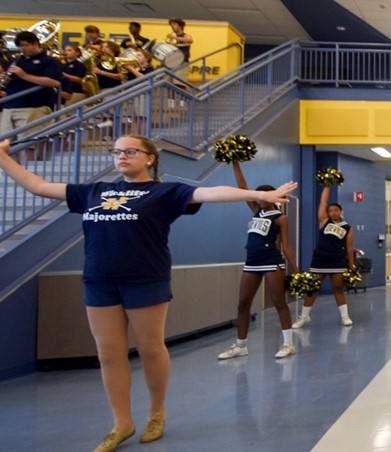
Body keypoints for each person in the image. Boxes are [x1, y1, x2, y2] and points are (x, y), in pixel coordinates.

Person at [0, 136, 296, 452]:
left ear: (150, 158)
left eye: (130, 151)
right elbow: (39, 187)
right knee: (109, 354)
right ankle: (121, 423)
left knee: (150, 348)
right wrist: (3, 157)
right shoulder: (93, 192)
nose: (122, 156)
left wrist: (257, 194)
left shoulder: (164, 192)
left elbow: (210, 193)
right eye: (116, 151)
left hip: (145, 280)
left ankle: (157, 413)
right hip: (99, 281)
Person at [215, 161, 299, 360]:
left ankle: (288, 343)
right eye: (258, 196)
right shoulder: (256, 210)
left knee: (279, 301)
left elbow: (286, 245)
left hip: (271, 260)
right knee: (243, 303)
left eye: (264, 196)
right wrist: (235, 161)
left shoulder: (280, 218)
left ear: (274, 198)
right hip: (252, 261)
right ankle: (240, 345)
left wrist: (296, 270)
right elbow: (243, 187)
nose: (260, 199)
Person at [292, 184, 356, 328]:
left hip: (337, 261)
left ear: (341, 211)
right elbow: (323, 202)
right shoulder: (324, 221)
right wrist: (327, 185)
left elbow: (349, 248)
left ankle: (345, 316)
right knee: (312, 288)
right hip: (320, 259)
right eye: (330, 211)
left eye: (336, 210)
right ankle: (303, 317)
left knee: (338, 288)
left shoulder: (348, 228)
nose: (333, 212)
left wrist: (351, 265)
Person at [1, 31, 63, 161]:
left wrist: (24, 75)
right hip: (10, 105)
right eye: (19, 46)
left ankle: (28, 174)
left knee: (27, 143)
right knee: (4, 143)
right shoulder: (17, 60)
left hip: (33, 106)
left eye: (24, 45)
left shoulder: (49, 61)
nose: (22, 49)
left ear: (35, 43)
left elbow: (54, 82)